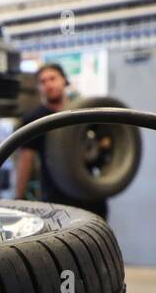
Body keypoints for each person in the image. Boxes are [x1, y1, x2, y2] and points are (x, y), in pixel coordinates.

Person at [12, 63, 108, 219]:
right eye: (43, 82)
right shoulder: (34, 121)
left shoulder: (83, 113)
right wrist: (19, 198)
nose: (48, 84)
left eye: (52, 78)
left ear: (64, 80)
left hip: (91, 196)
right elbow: (25, 160)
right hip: (56, 201)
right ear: (39, 88)